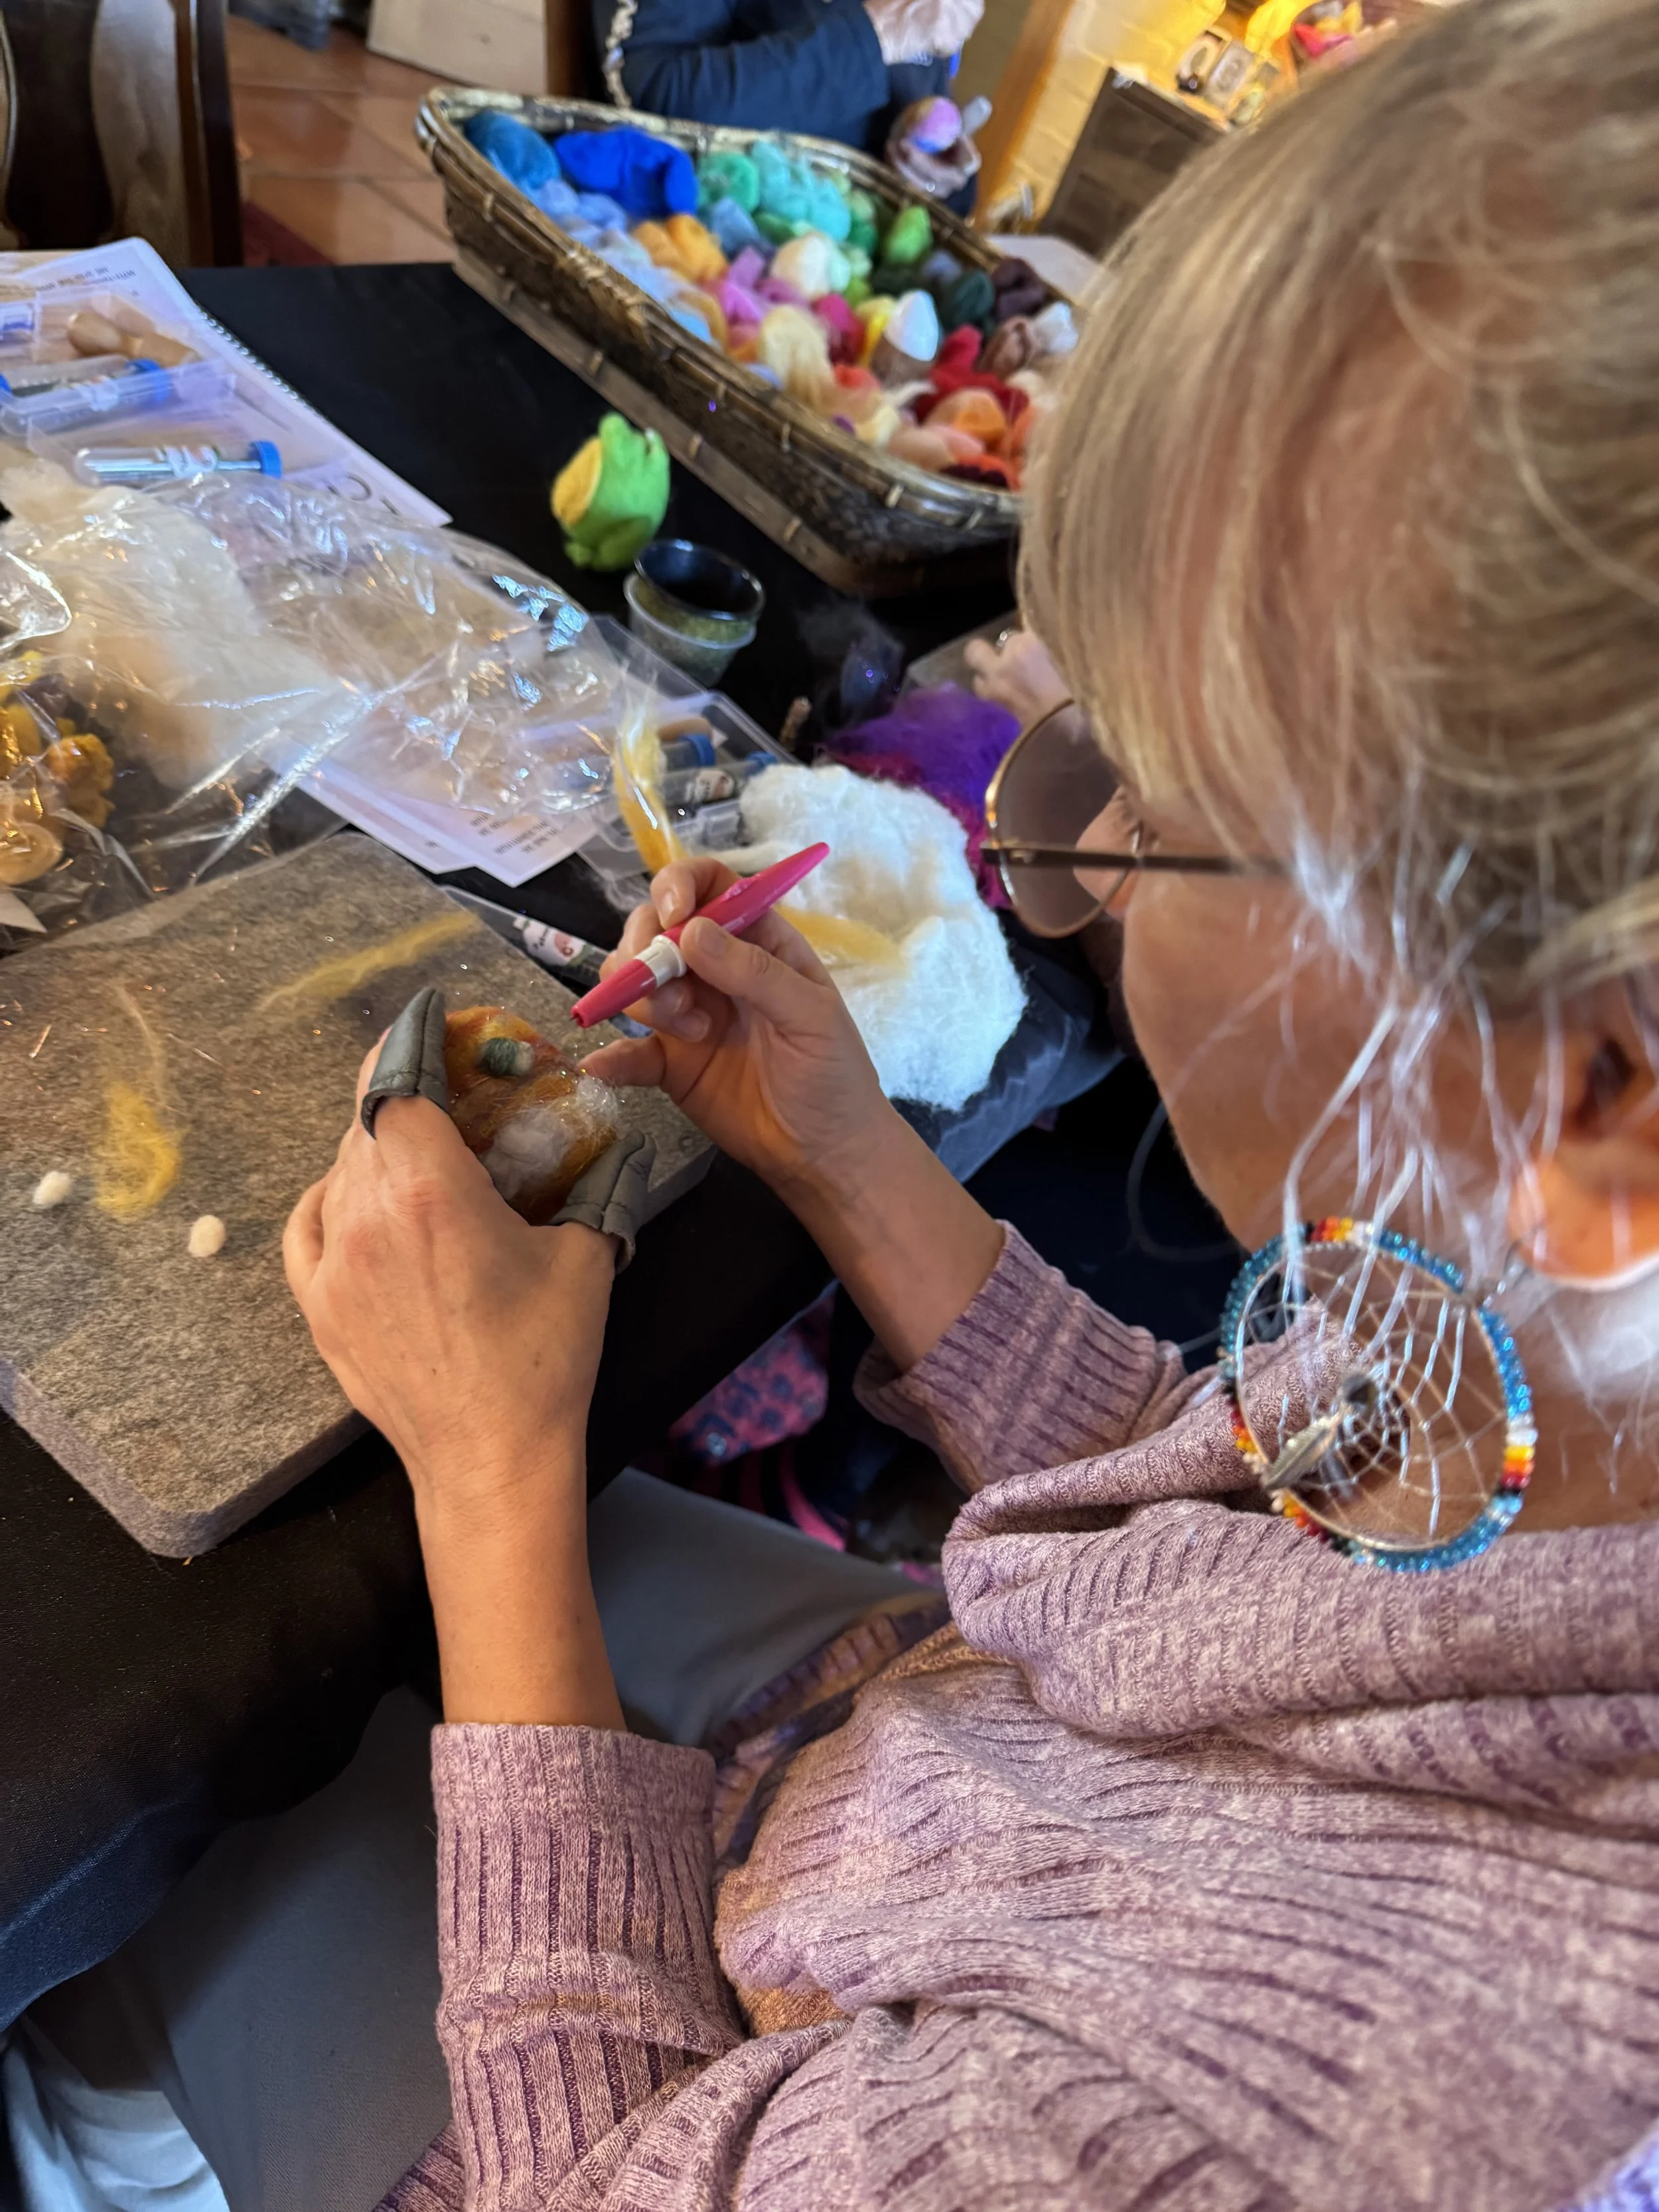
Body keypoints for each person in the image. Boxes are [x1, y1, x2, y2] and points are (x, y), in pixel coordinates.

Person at [15, 0, 1659, 2205]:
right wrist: (858, 1168)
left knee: (136, 1859)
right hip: (929, 1781)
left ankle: (112, 2126)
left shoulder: (1371, 2110)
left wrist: (498, 1486)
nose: (1056, 857)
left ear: (1602, 1092)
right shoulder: (1558, 1354)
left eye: (1150, 817)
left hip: (671, 2071)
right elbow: (1288, 1542)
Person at [593, 0, 982, 162]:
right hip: (686, 254)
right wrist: (878, 35)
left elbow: (920, 111)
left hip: (851, 275)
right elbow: (656, 100)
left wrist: (938, 175)